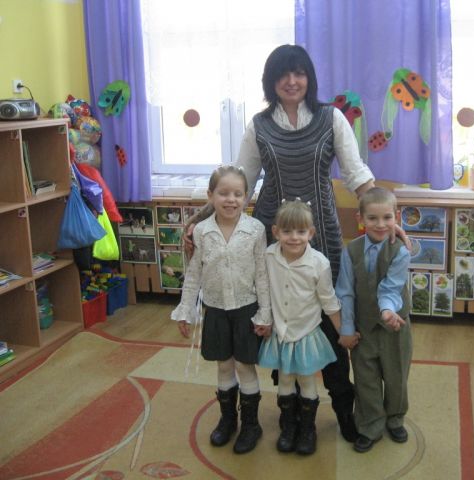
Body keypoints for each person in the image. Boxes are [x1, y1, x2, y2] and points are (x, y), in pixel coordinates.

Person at [185, 44, 377, 442]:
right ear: (271, 82)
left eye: (299, 73)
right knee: (278, 320)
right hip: (270, 240)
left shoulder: (331, 118)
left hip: (320, 236)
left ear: (309, 77)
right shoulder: (259, 125)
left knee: (327, 320)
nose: (292, 81)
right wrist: (200, 218)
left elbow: (357, 174)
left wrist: (389, 218)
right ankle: (291, 417)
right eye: (283, 74)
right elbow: (238, 180)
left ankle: (344, 412)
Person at [172, 165, 272, 455]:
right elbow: (194, 274)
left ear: (246, 197)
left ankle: (251, 424)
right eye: (223, 193)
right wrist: (185, 310)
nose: (231, 199)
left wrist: (265, 313)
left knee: (244, 365)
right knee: (224, 365)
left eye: (238, 194)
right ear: (211, 196)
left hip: (246, 309)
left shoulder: (255, 229)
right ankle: (228, 419)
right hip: (215, 309)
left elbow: (262, 274)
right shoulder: (202, 232)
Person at [258, 200, 342, 455]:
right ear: (276, 232)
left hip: (306, 333)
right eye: (287, 231)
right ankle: (289, 427)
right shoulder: (269, 256)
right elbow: (262, 289)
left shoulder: (319, 263)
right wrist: (263, 319)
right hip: (280, 333)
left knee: (306, 380)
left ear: (311, 233)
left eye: (301, 231)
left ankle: (307, 429)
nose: (294, 237)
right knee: (284, 378)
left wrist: (343, 332)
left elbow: (329, 301)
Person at [335, 187, 412, 453]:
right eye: (373, 218)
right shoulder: (351, 251)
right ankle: (370, 425)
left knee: (396, 376)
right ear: (360, 219)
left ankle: (395, 418)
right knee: (365, 379)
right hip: (363, 329)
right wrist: (346, 329)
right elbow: (345, 291)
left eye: (387, 217)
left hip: (395, 327)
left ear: (396, 217)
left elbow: (390, 288)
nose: (380, 224)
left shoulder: (400, 251)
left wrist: (387, 312)